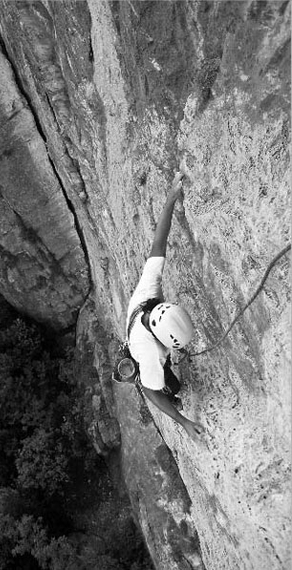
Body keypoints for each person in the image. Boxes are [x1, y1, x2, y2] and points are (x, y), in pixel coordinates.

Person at [126, 170, 204, 442]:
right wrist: (182, 421)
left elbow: (158, 244)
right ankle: (177, 398)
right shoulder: (150, 355)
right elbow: (150, 392)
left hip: (141, 332)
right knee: (171, 386)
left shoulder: (148, 292)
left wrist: (171, 197)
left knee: (167, 381)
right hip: (141, 354)